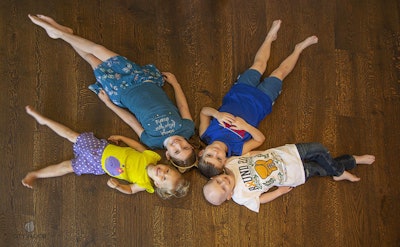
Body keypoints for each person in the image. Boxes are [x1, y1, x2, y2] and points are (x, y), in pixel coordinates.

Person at [28, 14, 197, 171]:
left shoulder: (151, 141)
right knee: (98, 49)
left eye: (176, 151)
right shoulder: (187, 129)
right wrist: (175, 84)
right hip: (142, 79)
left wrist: (108, 103)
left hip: (120, 92)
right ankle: (59, 32)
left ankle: (64, 33)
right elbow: (182, 105)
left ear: (168, 155)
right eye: (185, 147)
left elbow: (130, 120)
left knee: (92, 59)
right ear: (190, 144)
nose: (178, 145)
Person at [198, 20, 318, 178]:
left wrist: (217, 115)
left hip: (240, 91)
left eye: (209, 155)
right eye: (219, 158)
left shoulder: (206, 134)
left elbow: (203, 112)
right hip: (262, 101)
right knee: (280, 73)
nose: (215, 153)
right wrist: (245, 126)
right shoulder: (237, 149)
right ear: (225, 160)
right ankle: (298, 49)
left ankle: (270, 37)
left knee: (259, 64)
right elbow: (260, 139)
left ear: (201, 152)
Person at [21, 105, 190, 199]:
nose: (162, 173)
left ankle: (36, 174)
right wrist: (122, 138)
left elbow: (130, 190)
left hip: (96, 165)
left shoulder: (145, 184)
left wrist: (119, 186)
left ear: (158, 185)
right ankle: (44, 121)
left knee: (66, 167)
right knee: (72, 135)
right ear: (167, 165)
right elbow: (137, 146)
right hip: (100, 148)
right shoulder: (152, 157)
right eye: (168, 171)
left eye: (163, 178)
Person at [203, 142, 375, 212]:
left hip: (285, 153)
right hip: (293, 174)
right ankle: (351, 162)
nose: (224, 182)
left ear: (214, 177)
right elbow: (260, 200)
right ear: (229, 196)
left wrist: (262, 153)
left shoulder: (229, 164)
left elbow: (248, 155)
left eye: (218, 181)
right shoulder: (241, 197)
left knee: (319, 148)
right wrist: (279, 192)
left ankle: (339, 172)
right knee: (322, 168)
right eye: (224, 188)